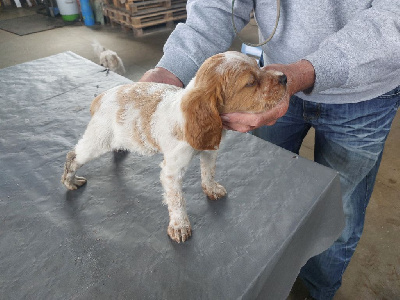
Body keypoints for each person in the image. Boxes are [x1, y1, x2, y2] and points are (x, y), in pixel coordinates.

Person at [139, 1, 400, 298]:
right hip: (271, 76)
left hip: (365, 90)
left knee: (341, 213)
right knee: (262, 196)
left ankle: (316, 293)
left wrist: (303, 73)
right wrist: (171, 69)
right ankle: (269, 283)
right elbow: (216, 6)